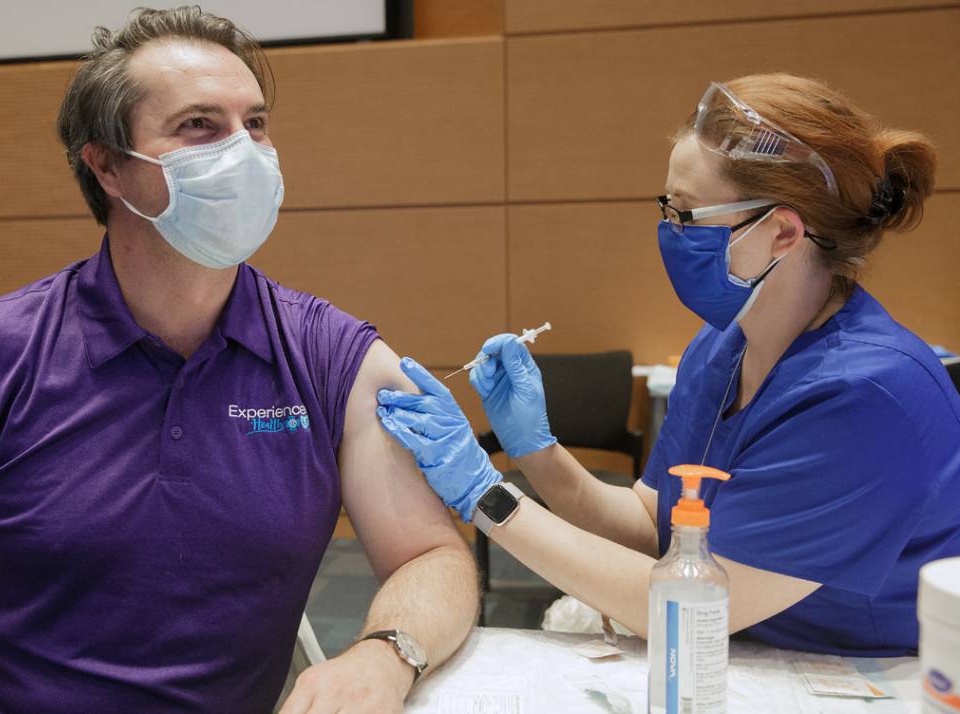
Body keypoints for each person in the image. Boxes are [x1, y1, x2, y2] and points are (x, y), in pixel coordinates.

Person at [0, 7, 478, 713]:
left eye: (254, 124)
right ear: (106, 165)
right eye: (201, 125)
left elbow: (432, 559)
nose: (246, 151)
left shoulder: (330, 358)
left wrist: (386, 655)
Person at [377, 73, 960, 656]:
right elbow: (653, 526)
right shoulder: (722, 349)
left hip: (876, 678)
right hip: (750, 654)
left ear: (782, 232)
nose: (669, 232)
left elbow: (685, 608)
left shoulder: (868, 397)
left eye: (687, 214)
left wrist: (484, 494)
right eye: (667, 208)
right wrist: (537, 452)